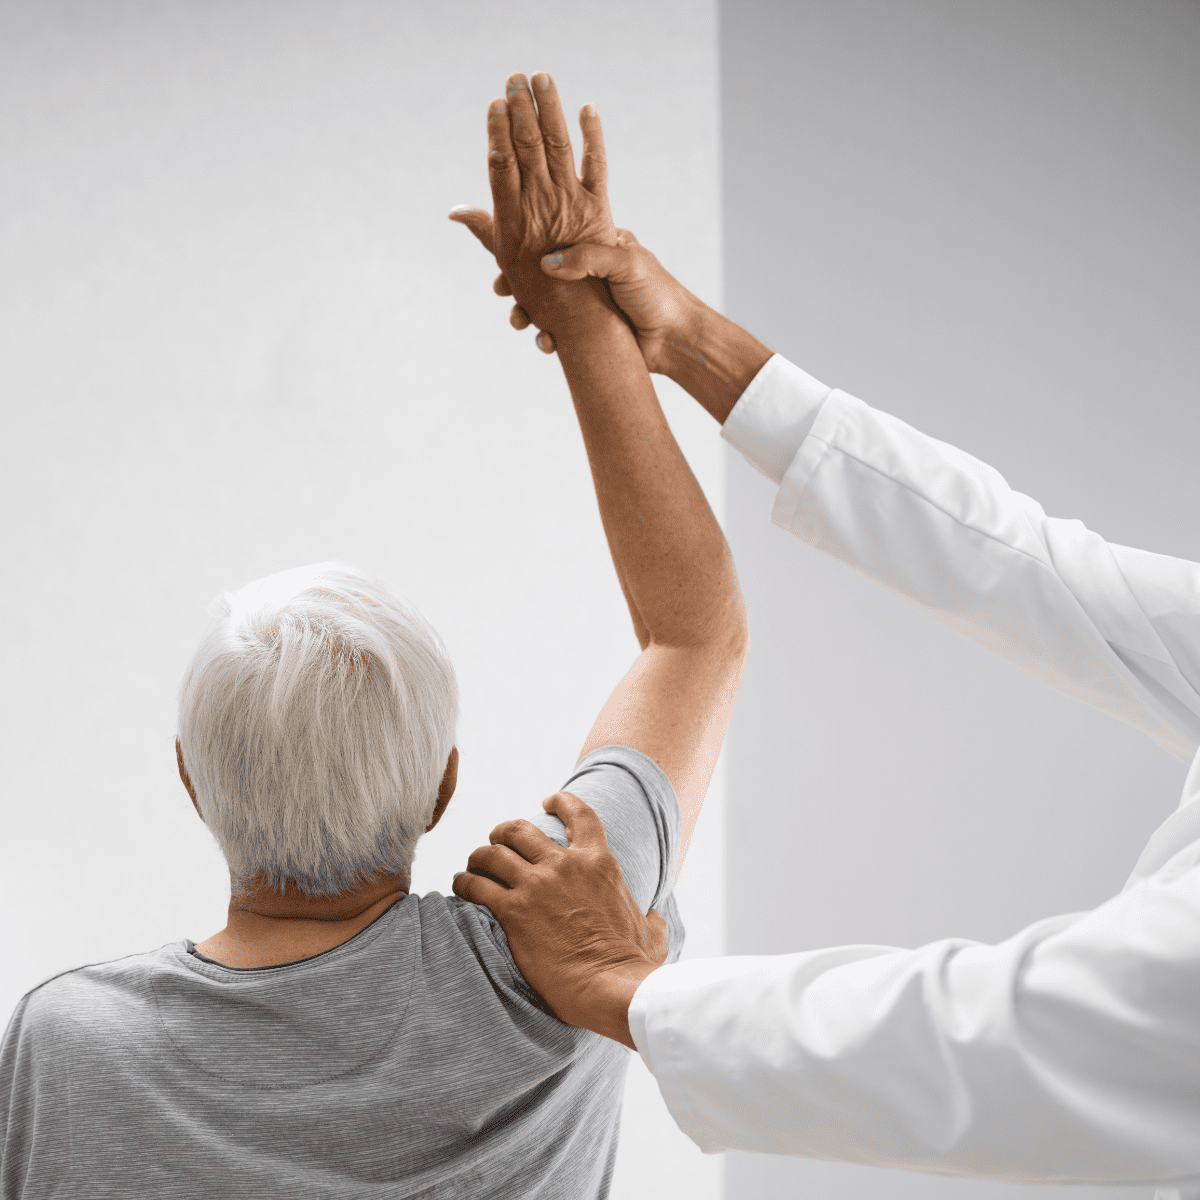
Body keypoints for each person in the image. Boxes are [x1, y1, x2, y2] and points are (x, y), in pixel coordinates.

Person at [0, 72, 748, 1199]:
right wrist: (578, 313)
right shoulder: (558, 960)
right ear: (442, 788)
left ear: (192, 783)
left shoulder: (67, 1045)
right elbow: (695, 636)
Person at [449, 90, 1200, 1198]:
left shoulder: (89, 1035)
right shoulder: (520, 931)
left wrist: (628, 989)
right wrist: (677, 338)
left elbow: (1000, 1044)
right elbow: (1037, 571)